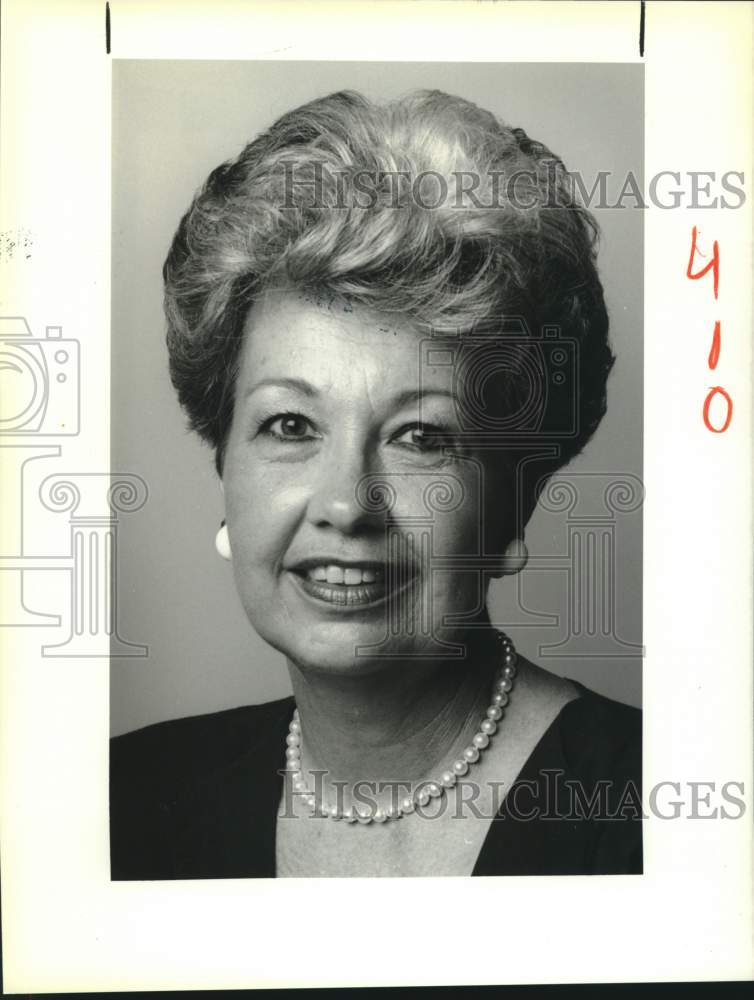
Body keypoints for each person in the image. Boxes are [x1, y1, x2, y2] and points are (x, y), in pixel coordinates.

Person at [110, 89, 641, 878]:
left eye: (420, 436)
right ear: (224, 463)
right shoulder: (126, 800)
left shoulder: (651, 813)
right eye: (290, 426)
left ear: (511, 505)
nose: (347, 505)